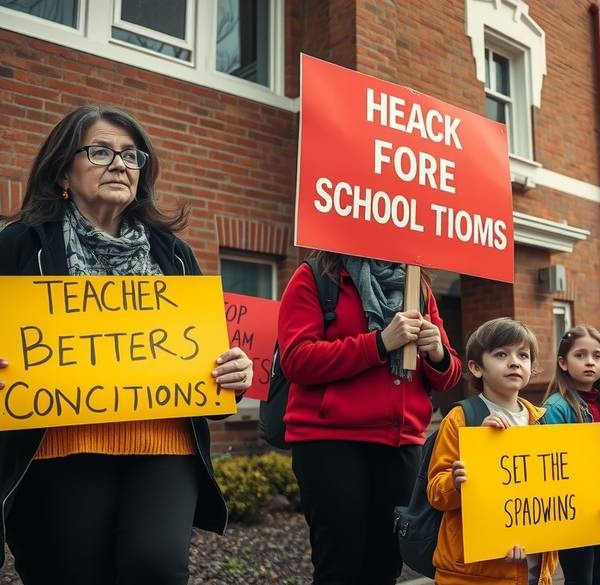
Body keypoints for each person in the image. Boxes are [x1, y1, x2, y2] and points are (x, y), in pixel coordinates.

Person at [0, 105, 254, 584]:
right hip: (57, 450)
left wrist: (231, 375)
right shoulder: (20, 245)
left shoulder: (173, 254)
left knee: (156, 569)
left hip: (163, 447)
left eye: (131, 156)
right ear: (62, 173)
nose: (120, 164)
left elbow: (203, 360)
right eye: (100, 152)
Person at [277, 251, 462, 585]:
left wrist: (437, 352)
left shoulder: (416, 283)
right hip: (329, 442)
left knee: (385, 565)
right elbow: (296, 359)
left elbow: (448, 376)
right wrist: (379, 343)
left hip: (400, 443)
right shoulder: (316, 276)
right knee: (340, 566)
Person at [428, 318, 562, 584]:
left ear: (532, 368)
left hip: (534, 571)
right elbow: (436, 493)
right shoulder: (461, 418)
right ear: (476, 368)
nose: (514, 362)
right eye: (501, 354)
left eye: (523, 355)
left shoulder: (543, 421)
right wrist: (456, 483)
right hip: (473, 574)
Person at [540, 325, 600, 585]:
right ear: (563, 363)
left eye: (597, 356)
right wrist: (595, 436)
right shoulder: (555, 407)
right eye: (580, 355)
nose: (590, 362)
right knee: (579, 579)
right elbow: (553, 460)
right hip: (574, 511)